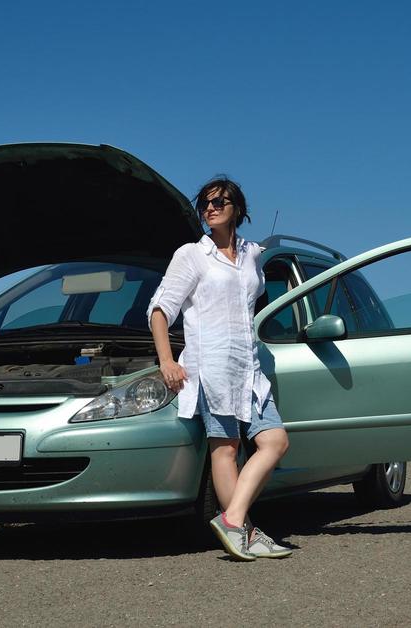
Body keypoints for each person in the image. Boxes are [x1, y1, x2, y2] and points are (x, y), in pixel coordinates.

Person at [147, 175, 293, 560]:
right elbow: (161, 310)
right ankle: (244, 532)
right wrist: (166, 361)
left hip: (248, 367)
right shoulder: (192, 255)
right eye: (206, 204)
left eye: (220, 202)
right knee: (225, 449)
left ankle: (234, 521)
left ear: (237, 209)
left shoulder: (251, 256)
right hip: (210, 365)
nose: (211, 208)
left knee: (275, 441)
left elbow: (253, 302)